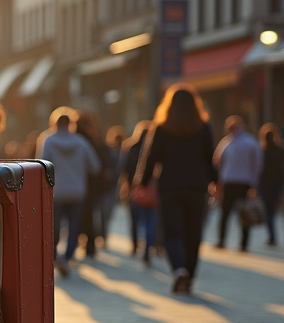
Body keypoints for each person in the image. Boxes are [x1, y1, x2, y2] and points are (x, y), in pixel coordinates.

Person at [138, 84, 217, 294]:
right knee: (193, 234)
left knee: (173, 234)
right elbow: (210, 159)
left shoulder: (162, 127)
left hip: (169, 187)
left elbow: (150, 157)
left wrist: (142, 182)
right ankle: (189, 275)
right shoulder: (203, 127)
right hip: (196, 187)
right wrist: (215, 181)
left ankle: (178, 270)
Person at [38, 107, 101, 276]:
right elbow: (95, 167)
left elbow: (41, 166)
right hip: (77, 191)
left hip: (56, 191)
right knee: (74, 227)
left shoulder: (48, 140)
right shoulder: (81, 142)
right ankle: (67, 258)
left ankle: (55, 256)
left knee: (54, 226)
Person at [214, 115, 263, 252]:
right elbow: (218, 162)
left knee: (244, 213)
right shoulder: (225, 142)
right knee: (225, 213)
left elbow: (256, 164)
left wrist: (253, 184)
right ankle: (222, 240)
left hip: (242, 182)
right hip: (229, 181)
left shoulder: (249, 142)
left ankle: (243, 243)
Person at [74, 111, 111, 257]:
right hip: (89, 184)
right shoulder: (92, 139)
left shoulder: (74, 137)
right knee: (88, 215)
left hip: (72, 183)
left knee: (74, 216)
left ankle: (73, 244)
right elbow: (99, 164)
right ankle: (90, 245)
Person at [120, 121, 157, 263]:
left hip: (133, 189)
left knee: (134, 220)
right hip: (150, 190)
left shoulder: (130, 147)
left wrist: (125, 187)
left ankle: (135, 245)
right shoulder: (153, 149)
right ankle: (148, 248)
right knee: (150, 221)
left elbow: (124, 169)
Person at [259, 123, 284, 246]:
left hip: (265, 184)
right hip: (276, 183)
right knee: (271, 211)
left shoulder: (262, 151)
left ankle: (272, 236)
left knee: (268, 211)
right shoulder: (280, 150)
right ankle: (272, 236)